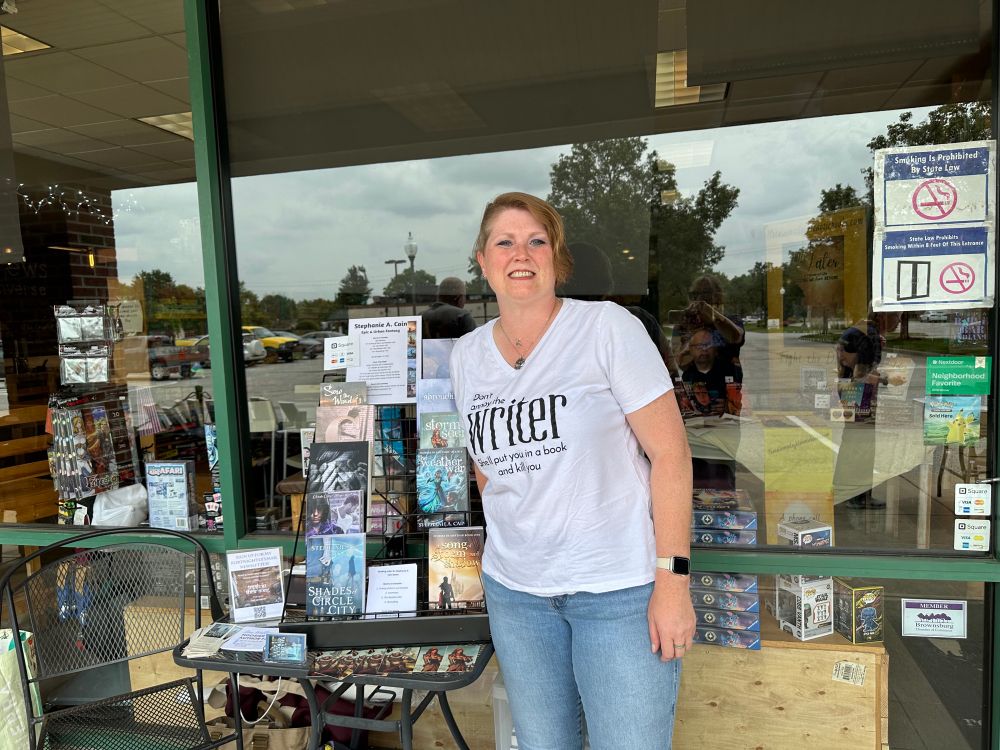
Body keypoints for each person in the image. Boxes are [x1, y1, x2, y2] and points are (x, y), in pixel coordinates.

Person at [450, 192, 694, 750]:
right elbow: (486, 470)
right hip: (518, 596)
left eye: (538, 241)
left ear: (557, 259)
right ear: (483, 261)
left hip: (618, 593)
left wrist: (673, 585)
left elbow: (672, 455)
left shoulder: (606, 328)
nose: (522, 253)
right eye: (504, 242)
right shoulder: (466, 356)